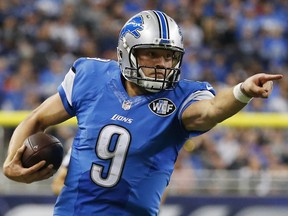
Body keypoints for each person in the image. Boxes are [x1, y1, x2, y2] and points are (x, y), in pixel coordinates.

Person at [3, 10, 282, 216]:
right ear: (127, 53)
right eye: (151, 54)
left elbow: (212, 110)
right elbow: (36, 118)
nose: (162, 63)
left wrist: (242, 91)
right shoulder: (92, 76)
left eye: (169, 56)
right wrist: (11, 164)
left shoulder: (183, 97)